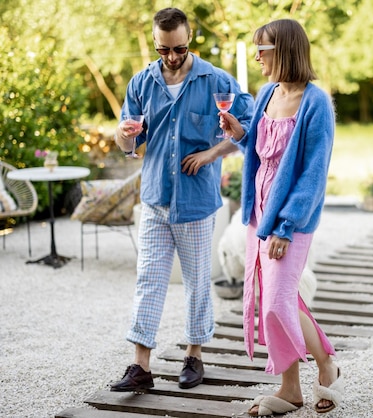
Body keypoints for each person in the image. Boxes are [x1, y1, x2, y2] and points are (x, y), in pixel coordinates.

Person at [110, 7, 253, 392]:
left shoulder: (216, 81)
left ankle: (194, 355)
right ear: (156, 44)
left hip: (195, 203)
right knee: (149, 280)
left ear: (190, 40)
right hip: (155, 199)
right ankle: (140, 366)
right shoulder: (141, 83)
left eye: (179, 48)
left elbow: (247, 127)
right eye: (163, 50)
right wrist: (123, 135)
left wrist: (210, 154)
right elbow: (128, 143)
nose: (172, 57)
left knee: (195, 282)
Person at [219, 19, 343, 416]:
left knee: (276, 300)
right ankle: (302, 381)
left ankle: (312, 372)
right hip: (260, 211)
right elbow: (260, 152)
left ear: (285, 50)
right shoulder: (267, 92)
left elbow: (312, 171)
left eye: (263, 49)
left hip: (291, 219)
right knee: (277, 299)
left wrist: (286, 226)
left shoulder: (316, 102)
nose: (257, 57)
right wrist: (240, 134)